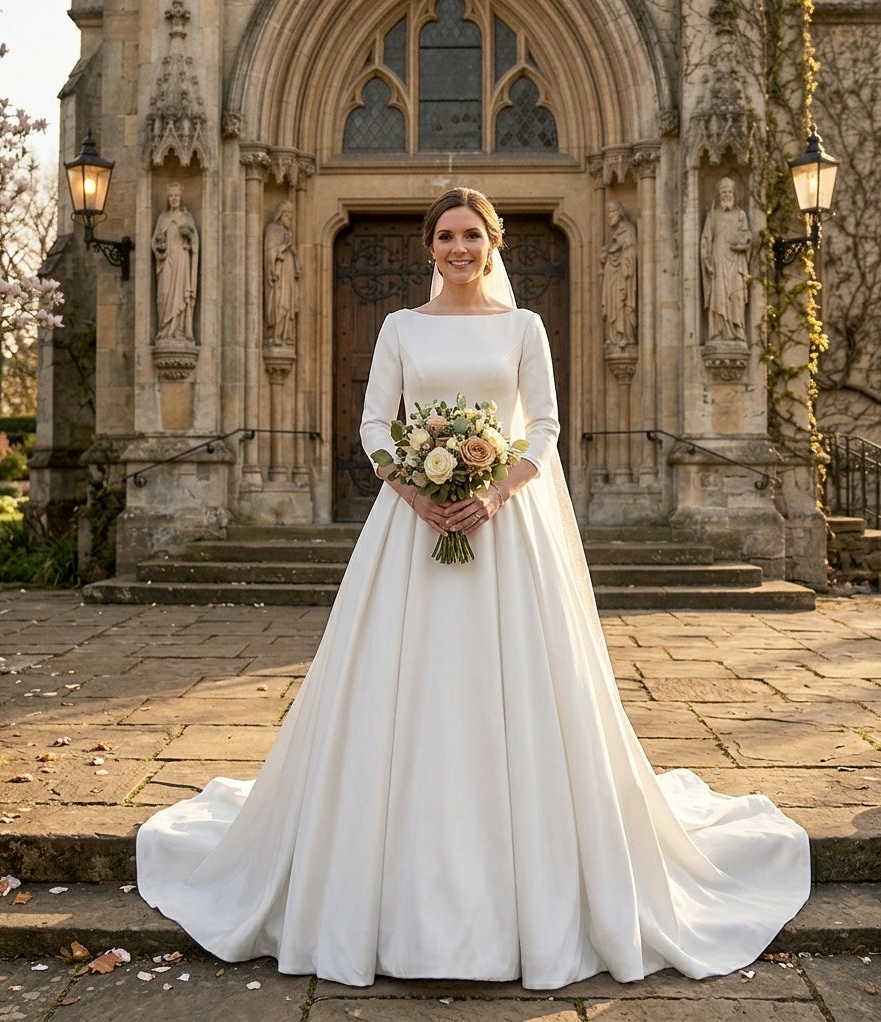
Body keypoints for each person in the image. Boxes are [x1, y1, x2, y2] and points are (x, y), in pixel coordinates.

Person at [136, 187, 809, 988]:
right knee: (403, 688)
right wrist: (418, 492)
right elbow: (374, 425)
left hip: (507, 532)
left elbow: (547, 428)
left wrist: (493, 491)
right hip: (410, 529)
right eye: (447, 236)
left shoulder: (525, 328)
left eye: (472, 235)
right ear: (429, 246)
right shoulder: (398, 329)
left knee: (520, 690)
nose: (459, 248)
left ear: (494, 242)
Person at [700, 177, 751, 342]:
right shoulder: (713, 215)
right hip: (718, 259)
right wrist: (706, 261)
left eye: (729, 192)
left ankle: (737, 329)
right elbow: (706, 240)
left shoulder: (740, 214)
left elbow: (747, 234)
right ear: (719, 194)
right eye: (723, 192)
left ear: (734, 194)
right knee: (719, 295)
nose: (727, 195)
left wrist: (744, 242)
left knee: (736, 295)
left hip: (736, 261)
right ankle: (719, 331)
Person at [152, 182, 199, 342]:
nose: (174, 199)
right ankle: (164, 330)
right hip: (166, 261)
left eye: (176, 195)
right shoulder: (162, 218)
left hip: (181, 260)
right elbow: (154, 241)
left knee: (179, 295)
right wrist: (160, 245)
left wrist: (189, 236)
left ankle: (179, 330)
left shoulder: (187, 218)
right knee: (163, 294)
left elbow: (195, 243)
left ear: (181, 198)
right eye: (171, 195)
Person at [264, 199, 301, 347]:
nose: (289, 219)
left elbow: (294, 253)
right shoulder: (272, 230)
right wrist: (283, 247)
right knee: (281, 303)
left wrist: (296, 263)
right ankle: (276, 335)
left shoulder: (287, 232)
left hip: (288, 272)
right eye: (288, 215)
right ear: (281, 214)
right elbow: (269, 252)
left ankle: (286, 335)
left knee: (288, 304)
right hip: (279, 272)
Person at [601, 199, 637, 350]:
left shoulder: (628, 230)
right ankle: (614, 336)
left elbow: (631, 252)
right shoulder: (615, 234)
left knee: (621, 302)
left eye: (611, 212)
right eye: (608, 213)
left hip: (622, 275)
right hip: (612, 275)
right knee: (613, 303)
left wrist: (616, 253)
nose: (609, 216)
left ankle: (625, 336)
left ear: (619, 213)